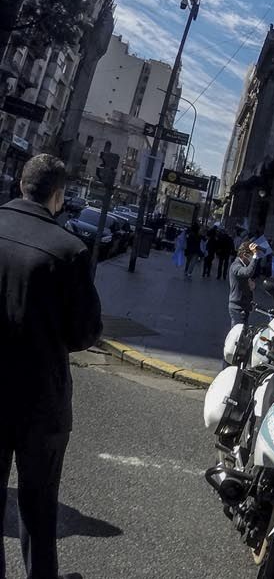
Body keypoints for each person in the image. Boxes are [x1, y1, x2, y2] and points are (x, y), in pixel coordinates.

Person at [0, 154, 103, 578]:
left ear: (21, 184)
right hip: (41, 402)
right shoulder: (69, 250)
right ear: (58, 195)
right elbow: (85, 333)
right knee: (39, 508)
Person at [228, 240, 260, 327]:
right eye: (250, 255)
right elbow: (247, 272)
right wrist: (255, 256)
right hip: (237, 308)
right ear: (245, 255)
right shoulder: (236, 266)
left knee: (243, 334)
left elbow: (248, 278)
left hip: (244, 306)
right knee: (237, 335)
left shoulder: (244, 266)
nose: (251, 258)